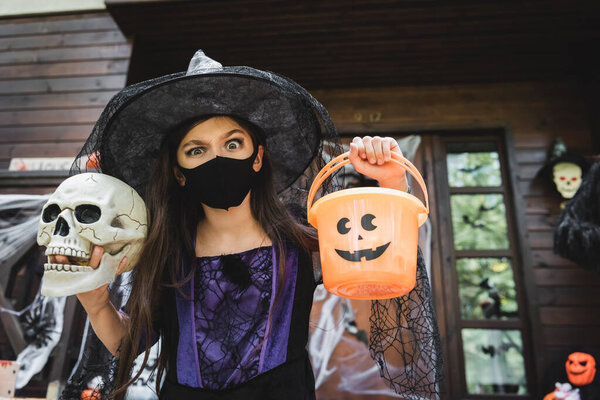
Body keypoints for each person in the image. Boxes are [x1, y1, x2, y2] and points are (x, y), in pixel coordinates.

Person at [67, 50, 442, 400]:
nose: (217, 157)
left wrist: (393, 184)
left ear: (258, 156)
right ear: (179, 173)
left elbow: (392, 296)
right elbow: (129, 344)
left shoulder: (304, 241)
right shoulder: (167, 249)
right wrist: (98, 305)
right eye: (196, 150)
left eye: (233, 143)